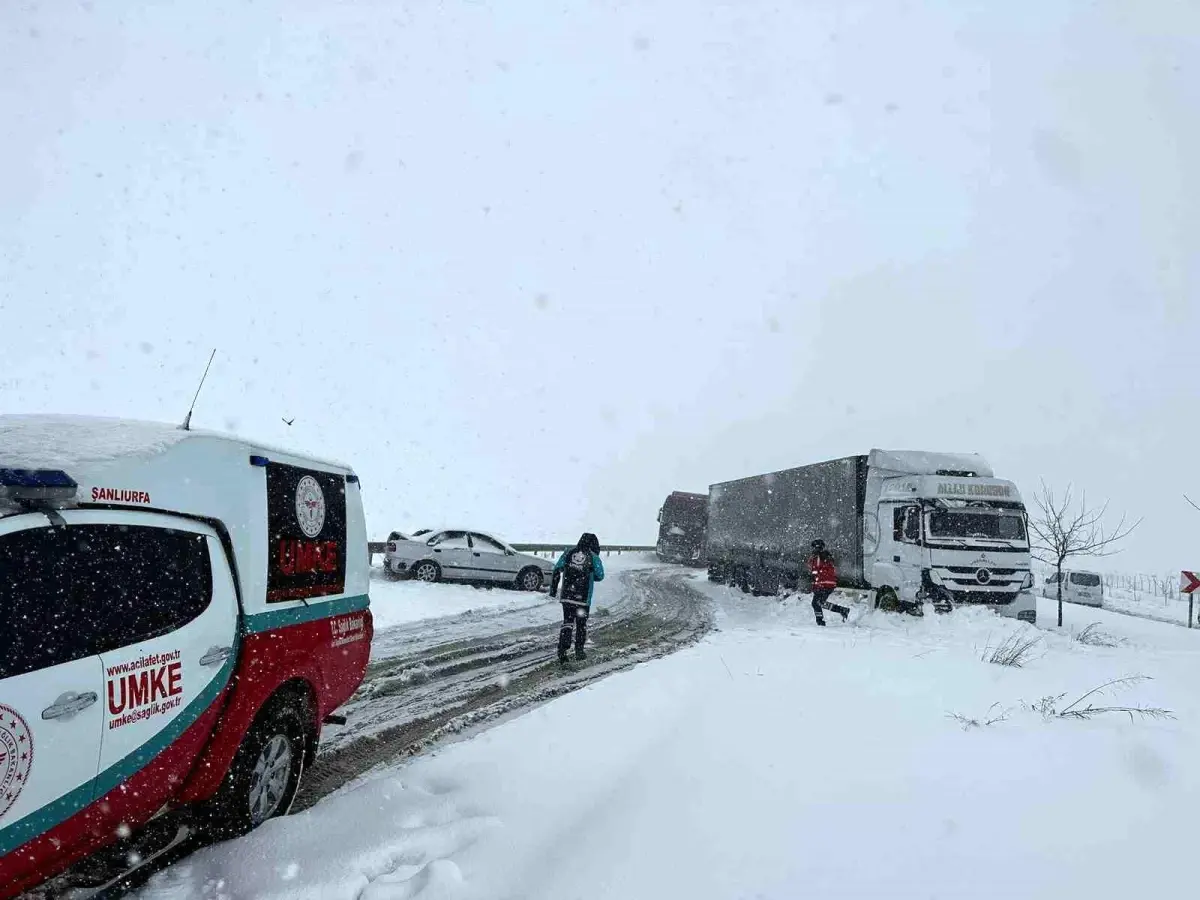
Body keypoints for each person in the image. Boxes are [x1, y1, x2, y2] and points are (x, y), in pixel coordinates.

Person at [550, 532, 605, 662]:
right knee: (581, 624)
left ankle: (562, 650)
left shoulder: (569, 553)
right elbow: (600, 575)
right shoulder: (593, 557)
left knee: (567, 622)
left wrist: (553, 590)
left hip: (567, 596)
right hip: (583, 598)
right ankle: (579, 651)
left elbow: (557, 568)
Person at [808, 539, 849, 626]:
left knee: (816, 603)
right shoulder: (820, 557)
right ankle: (842, 610)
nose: (813, 550)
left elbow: (821, 571)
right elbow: (815, 571)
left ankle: (820, 622)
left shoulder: (821, 557)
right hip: (824, 584)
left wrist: (816, 580)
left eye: (815, 548)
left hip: (825, 584)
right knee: (819, 603)